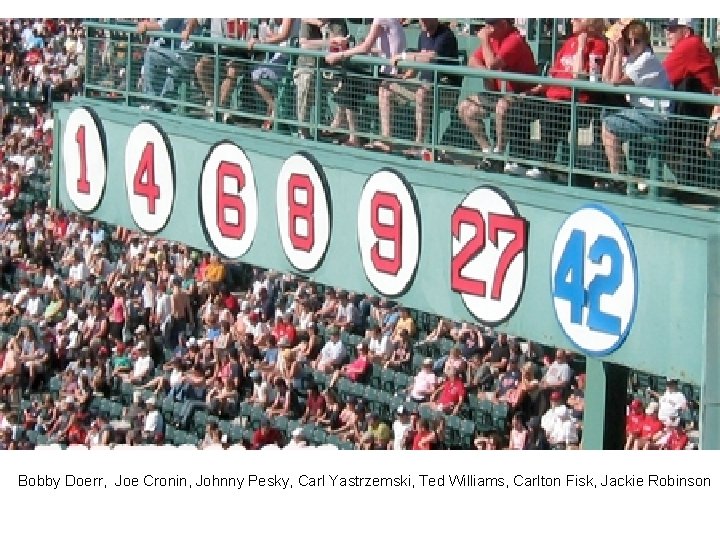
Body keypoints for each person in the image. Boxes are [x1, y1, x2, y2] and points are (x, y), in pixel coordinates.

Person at [367, 18, 458, 154]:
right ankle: (386, 140)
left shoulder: (446, 35)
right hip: (424, 86)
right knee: (386, 88)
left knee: (422, 93)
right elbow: (418, 64)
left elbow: (429, 57)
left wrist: (403, 56)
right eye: (421, 19)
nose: (423, 22)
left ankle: (419, 145)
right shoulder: (422, 35)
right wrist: (404, 76)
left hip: (446, 91)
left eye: (426, 19)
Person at [601, 20, 672, 194]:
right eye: (628, 41)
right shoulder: (634, 59)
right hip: (642, 113)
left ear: (646, 41)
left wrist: (618, 51)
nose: (632, 45)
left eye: (637, 41)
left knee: (609, 125)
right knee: (607, 114)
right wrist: (611, 52)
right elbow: (605, 80)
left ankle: (619, 179)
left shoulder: (647, 59)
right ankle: (630, 177)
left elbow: (616, 83)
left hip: (656, 118)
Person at [458, 18, 537, 169]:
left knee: (502, 106)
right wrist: (487, 73)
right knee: (465, 107)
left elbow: (492, 64)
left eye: (492, 24)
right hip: (499, 94)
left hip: (524, 95)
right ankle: (488, 151)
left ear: (504, 24)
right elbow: (472, 60)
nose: (488, 27)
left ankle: (499, 154)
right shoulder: (493, 39)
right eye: (487, 23)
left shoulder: (514, 40)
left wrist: (485, 41)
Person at [325, 18, 407, 147]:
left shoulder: (382, 17)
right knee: (350, 76)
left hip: (389, 76)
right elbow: (377, 49)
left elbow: (366, 47)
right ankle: (345, 128)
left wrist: (340, 55)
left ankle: (349, 133)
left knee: (350, 79)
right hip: (387, 73)